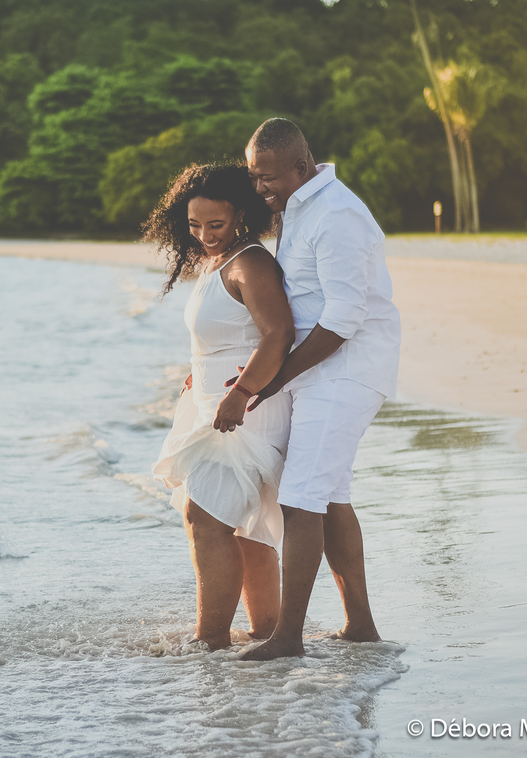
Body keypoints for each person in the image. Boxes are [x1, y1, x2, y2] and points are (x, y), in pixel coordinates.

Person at [237, 118, 401, 661]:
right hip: (320, 369)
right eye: (253, 176)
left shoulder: (336, 215)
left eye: (268, 177)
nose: (260, 187)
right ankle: (360, 627)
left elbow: (345, 317)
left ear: (301, 166)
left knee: (301, 497)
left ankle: (288, 638)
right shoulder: (298, 207)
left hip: (346, 369)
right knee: (329, 495)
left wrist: (278, 376)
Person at [144, 163, 296, 650]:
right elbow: (227, 336)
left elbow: (278, 333)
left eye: (216, 224)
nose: (205, 235)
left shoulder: (249, 262)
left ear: (241, 216)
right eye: (194, 225)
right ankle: (265, 632)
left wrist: (241, 393)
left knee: (205, 518)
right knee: (245, 527)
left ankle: (209, 643)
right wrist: (200, 374)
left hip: (244, 410)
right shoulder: (219, 261)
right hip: (219, 404)